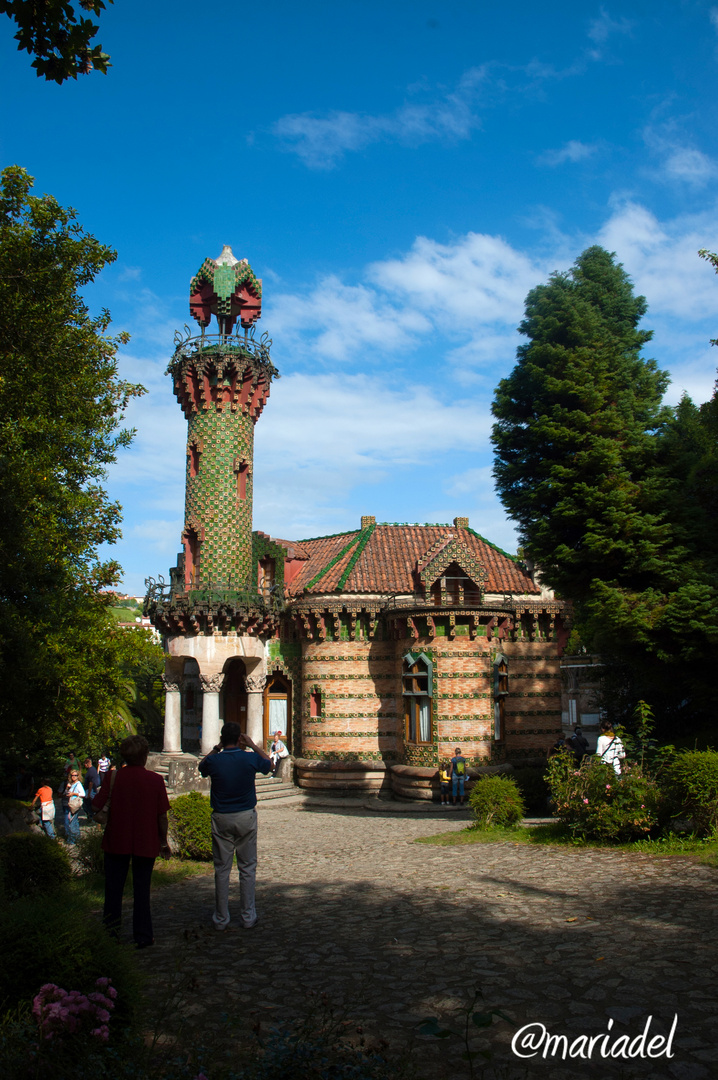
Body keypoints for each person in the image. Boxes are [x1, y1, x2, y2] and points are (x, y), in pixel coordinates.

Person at [93, 734, 170, 949]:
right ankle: (143, 935)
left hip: (116, 838)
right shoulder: (155, 780)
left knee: (113, 891)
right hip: (145, 840)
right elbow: (161, 816)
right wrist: (163, 841)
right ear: (145, 756)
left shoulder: (113, 777)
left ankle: (110, 934)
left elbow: (96, 804)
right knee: (142, 891)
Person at [198, 722, 271, 931]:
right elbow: (270, 765)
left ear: (223, 739)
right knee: (247, 867)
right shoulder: (249, 757)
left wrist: (217, 747)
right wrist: (253, 745)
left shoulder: (215, 760)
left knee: (221, 869)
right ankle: (248, 916)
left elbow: (202, 766)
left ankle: (221, 919)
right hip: (245, 816)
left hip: (222, 817)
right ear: (240, 739)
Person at [62, 768, 85, 845]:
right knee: (74, 821)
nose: (74, 777)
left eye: (75, 775)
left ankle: (72, 839)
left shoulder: (78, 784)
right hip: (71, 804)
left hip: (74, 805)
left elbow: (83, 794)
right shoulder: (71, 784)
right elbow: (66, 793)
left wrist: (73, 794)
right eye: (72, 775)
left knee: (71, 822)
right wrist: (67, 788)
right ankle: (76, 838)